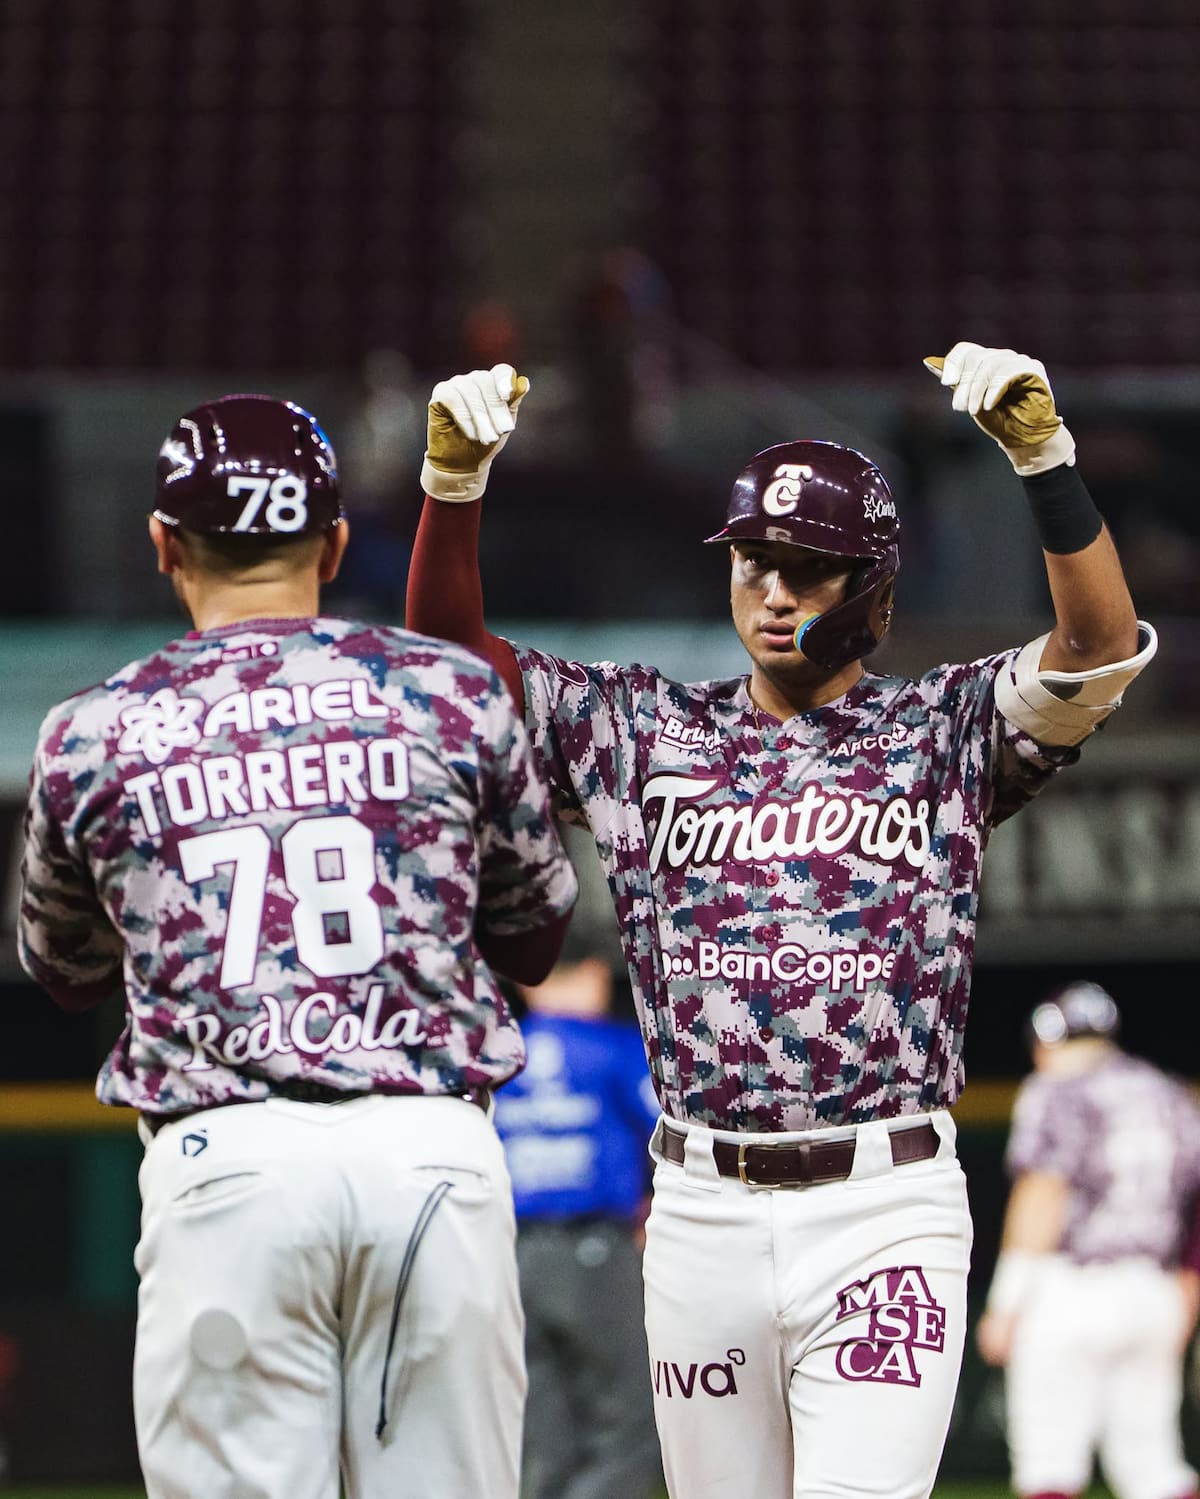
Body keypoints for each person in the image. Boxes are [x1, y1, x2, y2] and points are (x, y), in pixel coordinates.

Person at [404, 340, 1158, 1499]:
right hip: (699, 1208)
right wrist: (453, 489)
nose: (774, 589)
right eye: (755, 558)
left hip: (884, 1204)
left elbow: (1098, 647)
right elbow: (454, 669)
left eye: (810, 567)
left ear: (876, 589)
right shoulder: (640, 730)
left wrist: (1044, 461)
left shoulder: (941, 730)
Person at [17, 393, 579, 1499]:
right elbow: (535, 937)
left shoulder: (92, 730)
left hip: (226, 1160)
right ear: (333, 543)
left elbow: (64, 972)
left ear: (163, 544)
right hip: (429, 1150)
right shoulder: (450, 692)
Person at [977, 982, 1200, 1499]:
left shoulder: (1055, 1090)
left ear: (1048, 1039)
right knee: (1154, 1467)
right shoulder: (1168, 1093)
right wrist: (1189, 1285)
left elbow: (1042, 1195)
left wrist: (1006, 1304)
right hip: (1155, 1289)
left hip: (1069, 1291)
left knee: (1048, 1465)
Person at [494, 950, 663, 1499]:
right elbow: (669, 1137)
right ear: (593, 974)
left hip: (510, 1256)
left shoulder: (499, 1057)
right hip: (595, 1250)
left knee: (543, 1432)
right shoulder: (612, 1048)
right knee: (633, 1421)